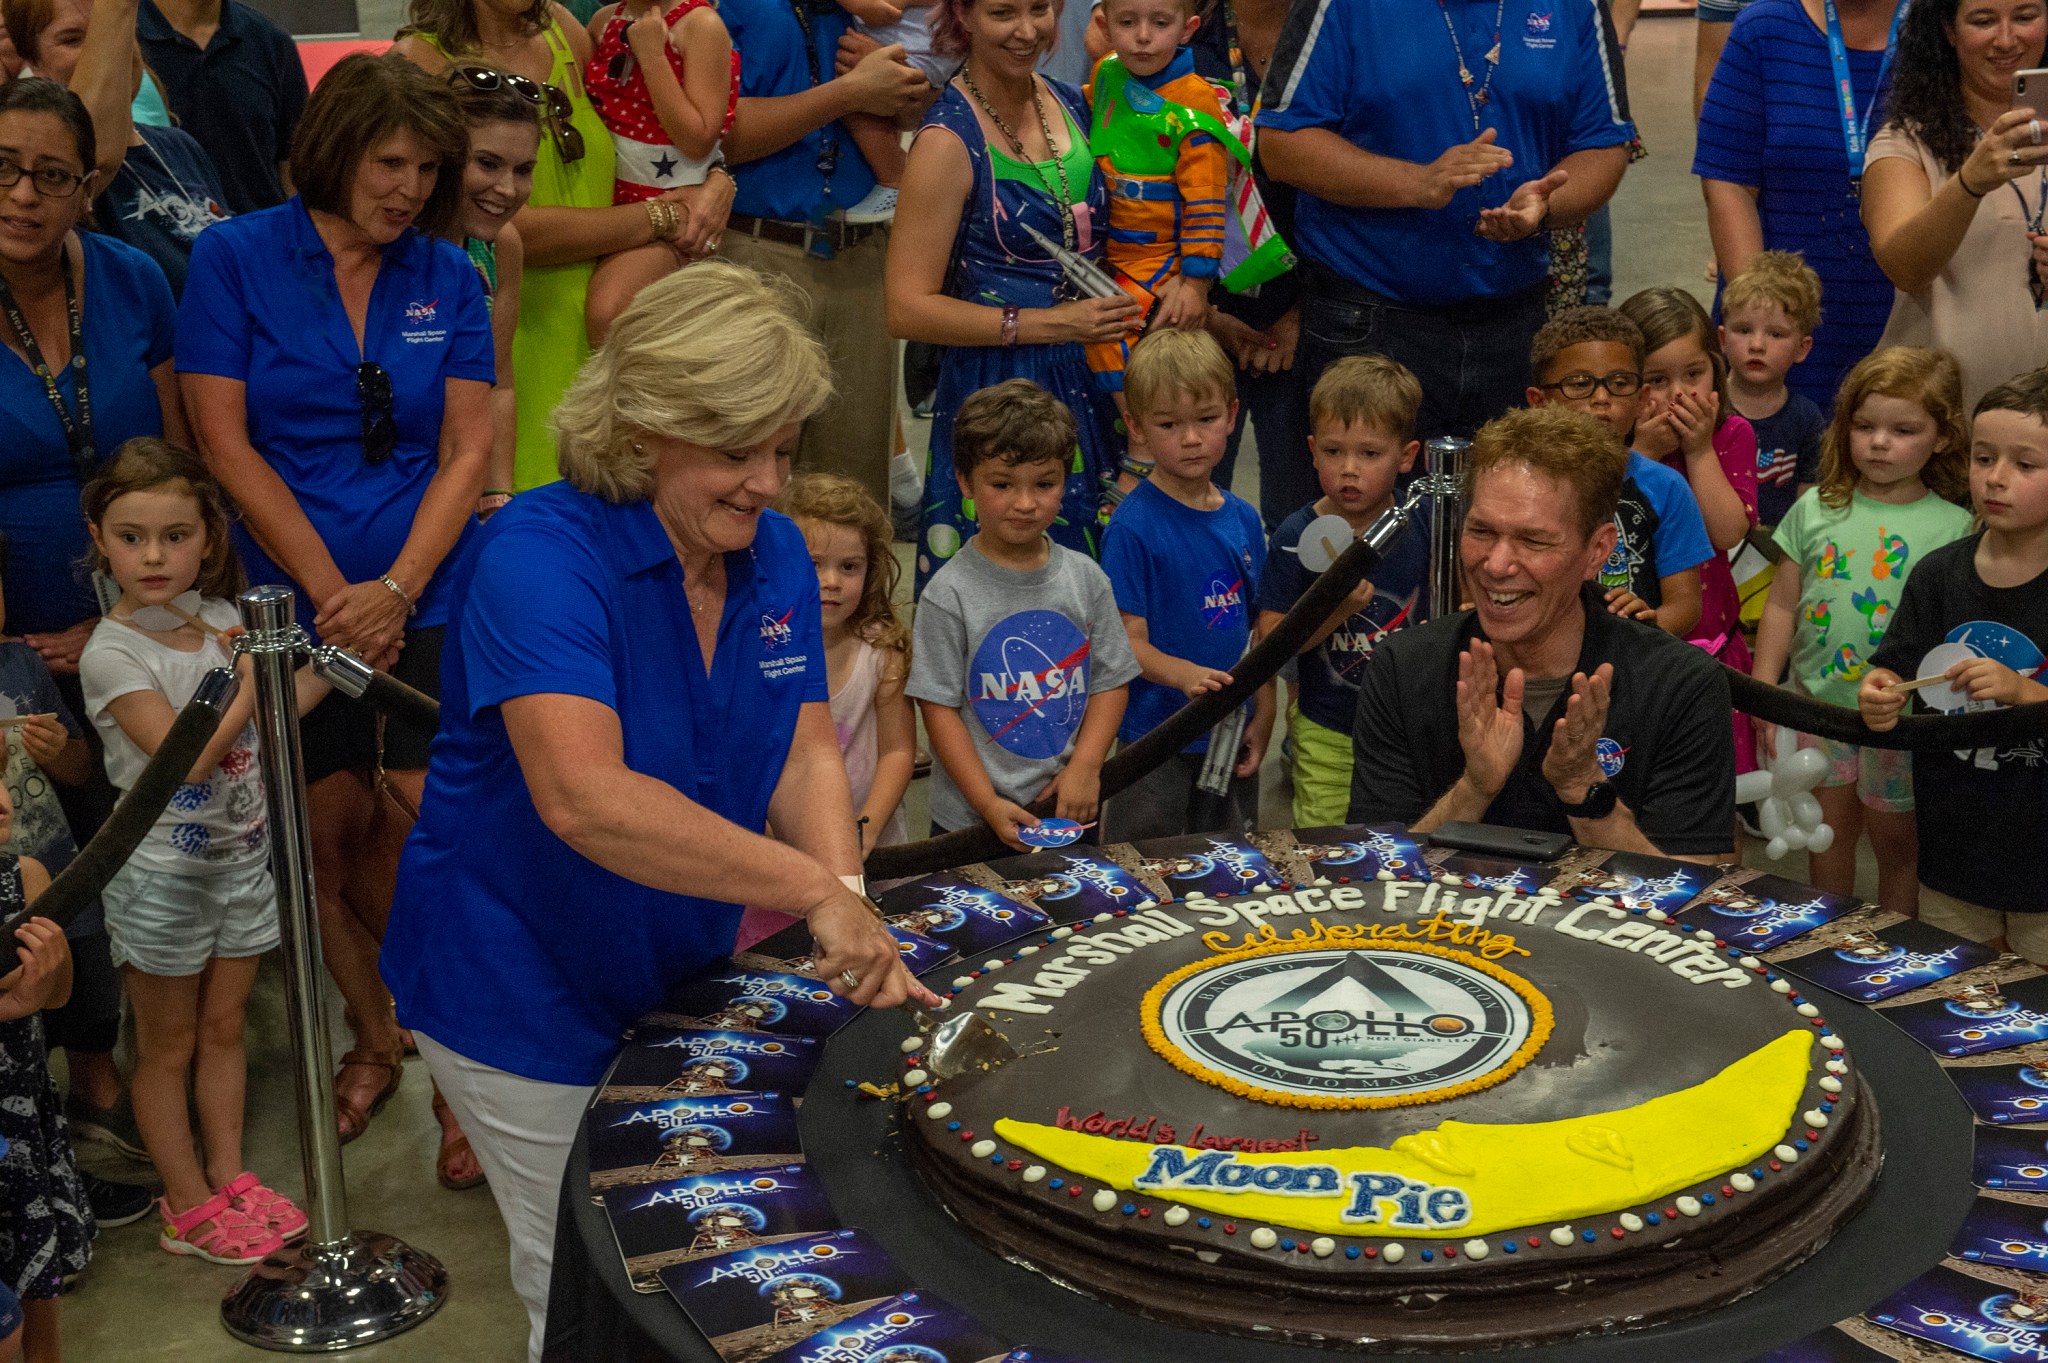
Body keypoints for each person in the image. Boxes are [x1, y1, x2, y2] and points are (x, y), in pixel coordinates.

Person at [379, 261, 930, 1363]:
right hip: (517, 985)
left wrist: (849, 894)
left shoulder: (764, 547)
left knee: (691, 1264)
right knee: (594, 1285)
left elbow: (801, 738)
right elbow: (585, 799)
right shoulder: (537, 556)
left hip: (666, 969)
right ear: (641, 427)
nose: (768, 482)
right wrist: (807, 890)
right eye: (735, 450)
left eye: (783, 448)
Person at [176, 54, 493, 1147]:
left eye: (425, 169)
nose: (405, 187)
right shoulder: (232, 257)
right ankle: (369, 1036)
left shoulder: (451, 275)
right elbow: (223, 440)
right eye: (387, 162)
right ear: (335, 152)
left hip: (430, 593)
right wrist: (331, 596)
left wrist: (397, 588)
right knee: (318, 839)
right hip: (286, 603)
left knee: (426, 837)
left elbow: (466, 450)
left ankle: (459, 1082)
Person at [79, 441, 331, 1267]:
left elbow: (269, 717)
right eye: (131, 536)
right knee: (168, 1044)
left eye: (175, 535)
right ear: (100, 538)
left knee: (226, 1029)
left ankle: (227, 1171)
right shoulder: (113, 650)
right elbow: (183, 754)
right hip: (159, 878)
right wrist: (256, 670)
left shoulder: (225, 622)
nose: (153, 556)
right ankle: (183, 1200)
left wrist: (333, 663)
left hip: (240, 863)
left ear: (208, 540)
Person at [0, 76, 183, 1168]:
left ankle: (125, 1065)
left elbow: (173, 456)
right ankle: (70, 1084)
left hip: (142, 617)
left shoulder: (130, 278)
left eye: (51, 175)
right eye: (4, 167)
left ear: (88, 186)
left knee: (144, 853)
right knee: (39, 863)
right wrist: (22, 651)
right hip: (10, 652)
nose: (23, 194)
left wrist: (122, 619)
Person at [1349, 405, 1737, 859]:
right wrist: (1474, 789)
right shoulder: (1403, 667)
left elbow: (1685, 892)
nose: (1496, 564)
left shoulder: (1680, 685)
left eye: (1533, 540)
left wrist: (1582, 786)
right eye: (1481, 530)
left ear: (1597, 552)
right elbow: (1374, 874)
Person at [1254, 0, 1634, 444]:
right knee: (1368, 511)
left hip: (1515, 322)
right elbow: (1282, 143)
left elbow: (1605, 144)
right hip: (1369, 319)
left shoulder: (1575, 7)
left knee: (1508, 508)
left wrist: (1544, 207)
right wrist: (1417, 183)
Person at [394, 0, 732, 492]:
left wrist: (719, 178)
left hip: (608, 331)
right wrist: (661, 217)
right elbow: (508, 226)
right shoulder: (419, 60)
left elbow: (652, 133)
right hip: (496, 335)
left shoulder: (567, 32)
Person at [886, 0, 1135, 587]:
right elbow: (906, 308)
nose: (1027, 32)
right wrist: (1053, 324)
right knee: (1008, 598)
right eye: (1003, 13)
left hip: (1096, 382)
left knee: (1098, 588)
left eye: (1040, 9)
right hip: (998, 396)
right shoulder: (947, 140)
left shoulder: (1071, 102)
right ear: (964, 17)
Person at [1760, 347, 1973, 913]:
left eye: (1903, 430)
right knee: (1825, 835)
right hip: (1817, 709)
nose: (1880, 442)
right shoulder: (1814, 509)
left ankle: (1891, 946)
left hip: (1901, 724)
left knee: (1897, 844)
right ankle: (1819, 943)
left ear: (1944, 437)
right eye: (1864, 425)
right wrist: (1764, 698)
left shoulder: (1956, 528)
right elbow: (1782, 605)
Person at [1862, 371, 2048, 961]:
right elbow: (1893, 669)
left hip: (2043, 856)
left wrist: (2023, 690)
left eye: (2026, 465)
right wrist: (1880, 692)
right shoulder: (1938, 574)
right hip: (1953, 844)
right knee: (1964, 993)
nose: (1995, 478)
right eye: (1984, 457)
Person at [908, 378, 1139, 846]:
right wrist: (986, 802)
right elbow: (938, 709)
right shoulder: (947, 594)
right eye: (1002, 484)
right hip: (970, 822)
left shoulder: (1086, 578)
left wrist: (1085, 768)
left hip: (1069, 806)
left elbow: (1111, 681)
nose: (1026, 503)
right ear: (964, 481)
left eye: (1045, 484)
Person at [720, 0, 929, 505]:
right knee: (752, 476)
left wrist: (906, 90)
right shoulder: (729, 8)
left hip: (861, 257)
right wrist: (848, 93)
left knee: (855, 490)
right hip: (758, 253)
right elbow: (723, 134)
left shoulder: (868, 12)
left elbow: (914, 105)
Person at [1693, 0, 1903, 410]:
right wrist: (1764, 321)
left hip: (1905, 307)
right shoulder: (1763, 27)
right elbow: (1728, 183)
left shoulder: (1939, 27)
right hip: (1784, 323)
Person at [1100, 330, 1267, 842]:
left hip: (1230, 733)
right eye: (1169, 424)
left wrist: (1265, 713)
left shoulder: (1243, 519)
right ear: (1138, 427)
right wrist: (1186, 676)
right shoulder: (1130, 528)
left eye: (1206, 419)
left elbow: (1261, 631)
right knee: (1147, 875)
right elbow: (1127, 644)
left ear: (1232, 415)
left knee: (1234, 872)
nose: (1191, 438)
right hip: (1154, 742)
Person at [1254, 355, 1431, 828]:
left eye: (1369, 454)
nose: (1349, 470)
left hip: (1409, 731)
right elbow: (1270, 644)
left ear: (1408, 456)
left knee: (1404, 846)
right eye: (1333, 452)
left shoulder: (1427, 526)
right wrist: (1332, 608)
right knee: (1326, 851)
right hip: (1327, 728)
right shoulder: (1295, 534)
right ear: (1312, 450)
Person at [1862, 0, 2048, 408]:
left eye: (2025, 17)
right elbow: (1905, 267)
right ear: (1949, 30)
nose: (2006, 39)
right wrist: (1969, 184)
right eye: (1983, 21)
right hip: (1940, 428)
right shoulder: (1906, 143)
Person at [1618, 286, 1759, 774]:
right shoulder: (1614, 448)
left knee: (1718, 788)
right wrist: (1645, 455)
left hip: (1711, 645)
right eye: (1656, 379)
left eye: (1693, 374)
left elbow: (1726, 532)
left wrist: (1698, 451)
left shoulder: (1732, 435)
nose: (1678, 394)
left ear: (1716, 370)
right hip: (1634, 646)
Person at [6, 0, 230, 299]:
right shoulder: (52, 175)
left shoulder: (180, 145)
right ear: (34, 64)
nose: (103, 49)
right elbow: (91, 150)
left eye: (115, 33)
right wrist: (115, 10)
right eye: (72, 39)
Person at [1523, 305, 1712, 638]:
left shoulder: (1667, 488)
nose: (1601, 398)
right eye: (1579, 384)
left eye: (1619, 383)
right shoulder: (1519, 486)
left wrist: (1641, 628)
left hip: (1634, 664)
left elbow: (1685, 606)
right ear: (1539, 401)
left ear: (1641, 399)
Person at [1080, 0, 1231, 398]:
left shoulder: (1196, 100)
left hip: (1162, 259)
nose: (1143, 36)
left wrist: (1196, 283)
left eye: (1160, 23)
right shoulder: (1105, 73)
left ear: (1188, 28)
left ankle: (1139, 434)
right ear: (1104, 26)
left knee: (1110, 336)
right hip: (1103, 251)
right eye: (1127, 22)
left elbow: (1206, 200)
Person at [581, 0, 737, 343]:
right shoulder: (604, 20)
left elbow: (697, 139)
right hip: (601, 199)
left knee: (608, 312)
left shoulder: (701, 25)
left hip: (668, 209)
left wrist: (653, 57)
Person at [779, 472, 915, 852]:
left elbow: (898, 751)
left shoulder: (881, 650)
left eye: (849, 566)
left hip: (875, 843)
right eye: (814, 564)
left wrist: (865, 829)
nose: (831, 581)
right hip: (784, 845)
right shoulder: (757, 651)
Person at [447, 71, 541, 524]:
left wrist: (497, 500)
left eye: (523, 170)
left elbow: (498, 384)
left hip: (462, 488)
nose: (507, 189)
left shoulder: (502, 246)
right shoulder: (389, 246)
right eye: (487, 163)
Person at [0, 847, 83, 1363]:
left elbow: (59, 994)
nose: (3, 803)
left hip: (19, 1116)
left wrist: (34, 983)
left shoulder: (22, 874)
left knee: (37, 1279)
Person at [135, 0, 305, 215]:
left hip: (258, 234)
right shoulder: (121, 40)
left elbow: (293, 161)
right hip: (164, 238)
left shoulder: (270, 41)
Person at [1721, 250, 1827, 527]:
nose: (1757, 345)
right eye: (1743, 330)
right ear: (1721, 338)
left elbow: (1808, 503)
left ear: (1802, 348)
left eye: (1776, 334)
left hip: (1776, 551)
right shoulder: (1706, 406)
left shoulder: (1806, 419)